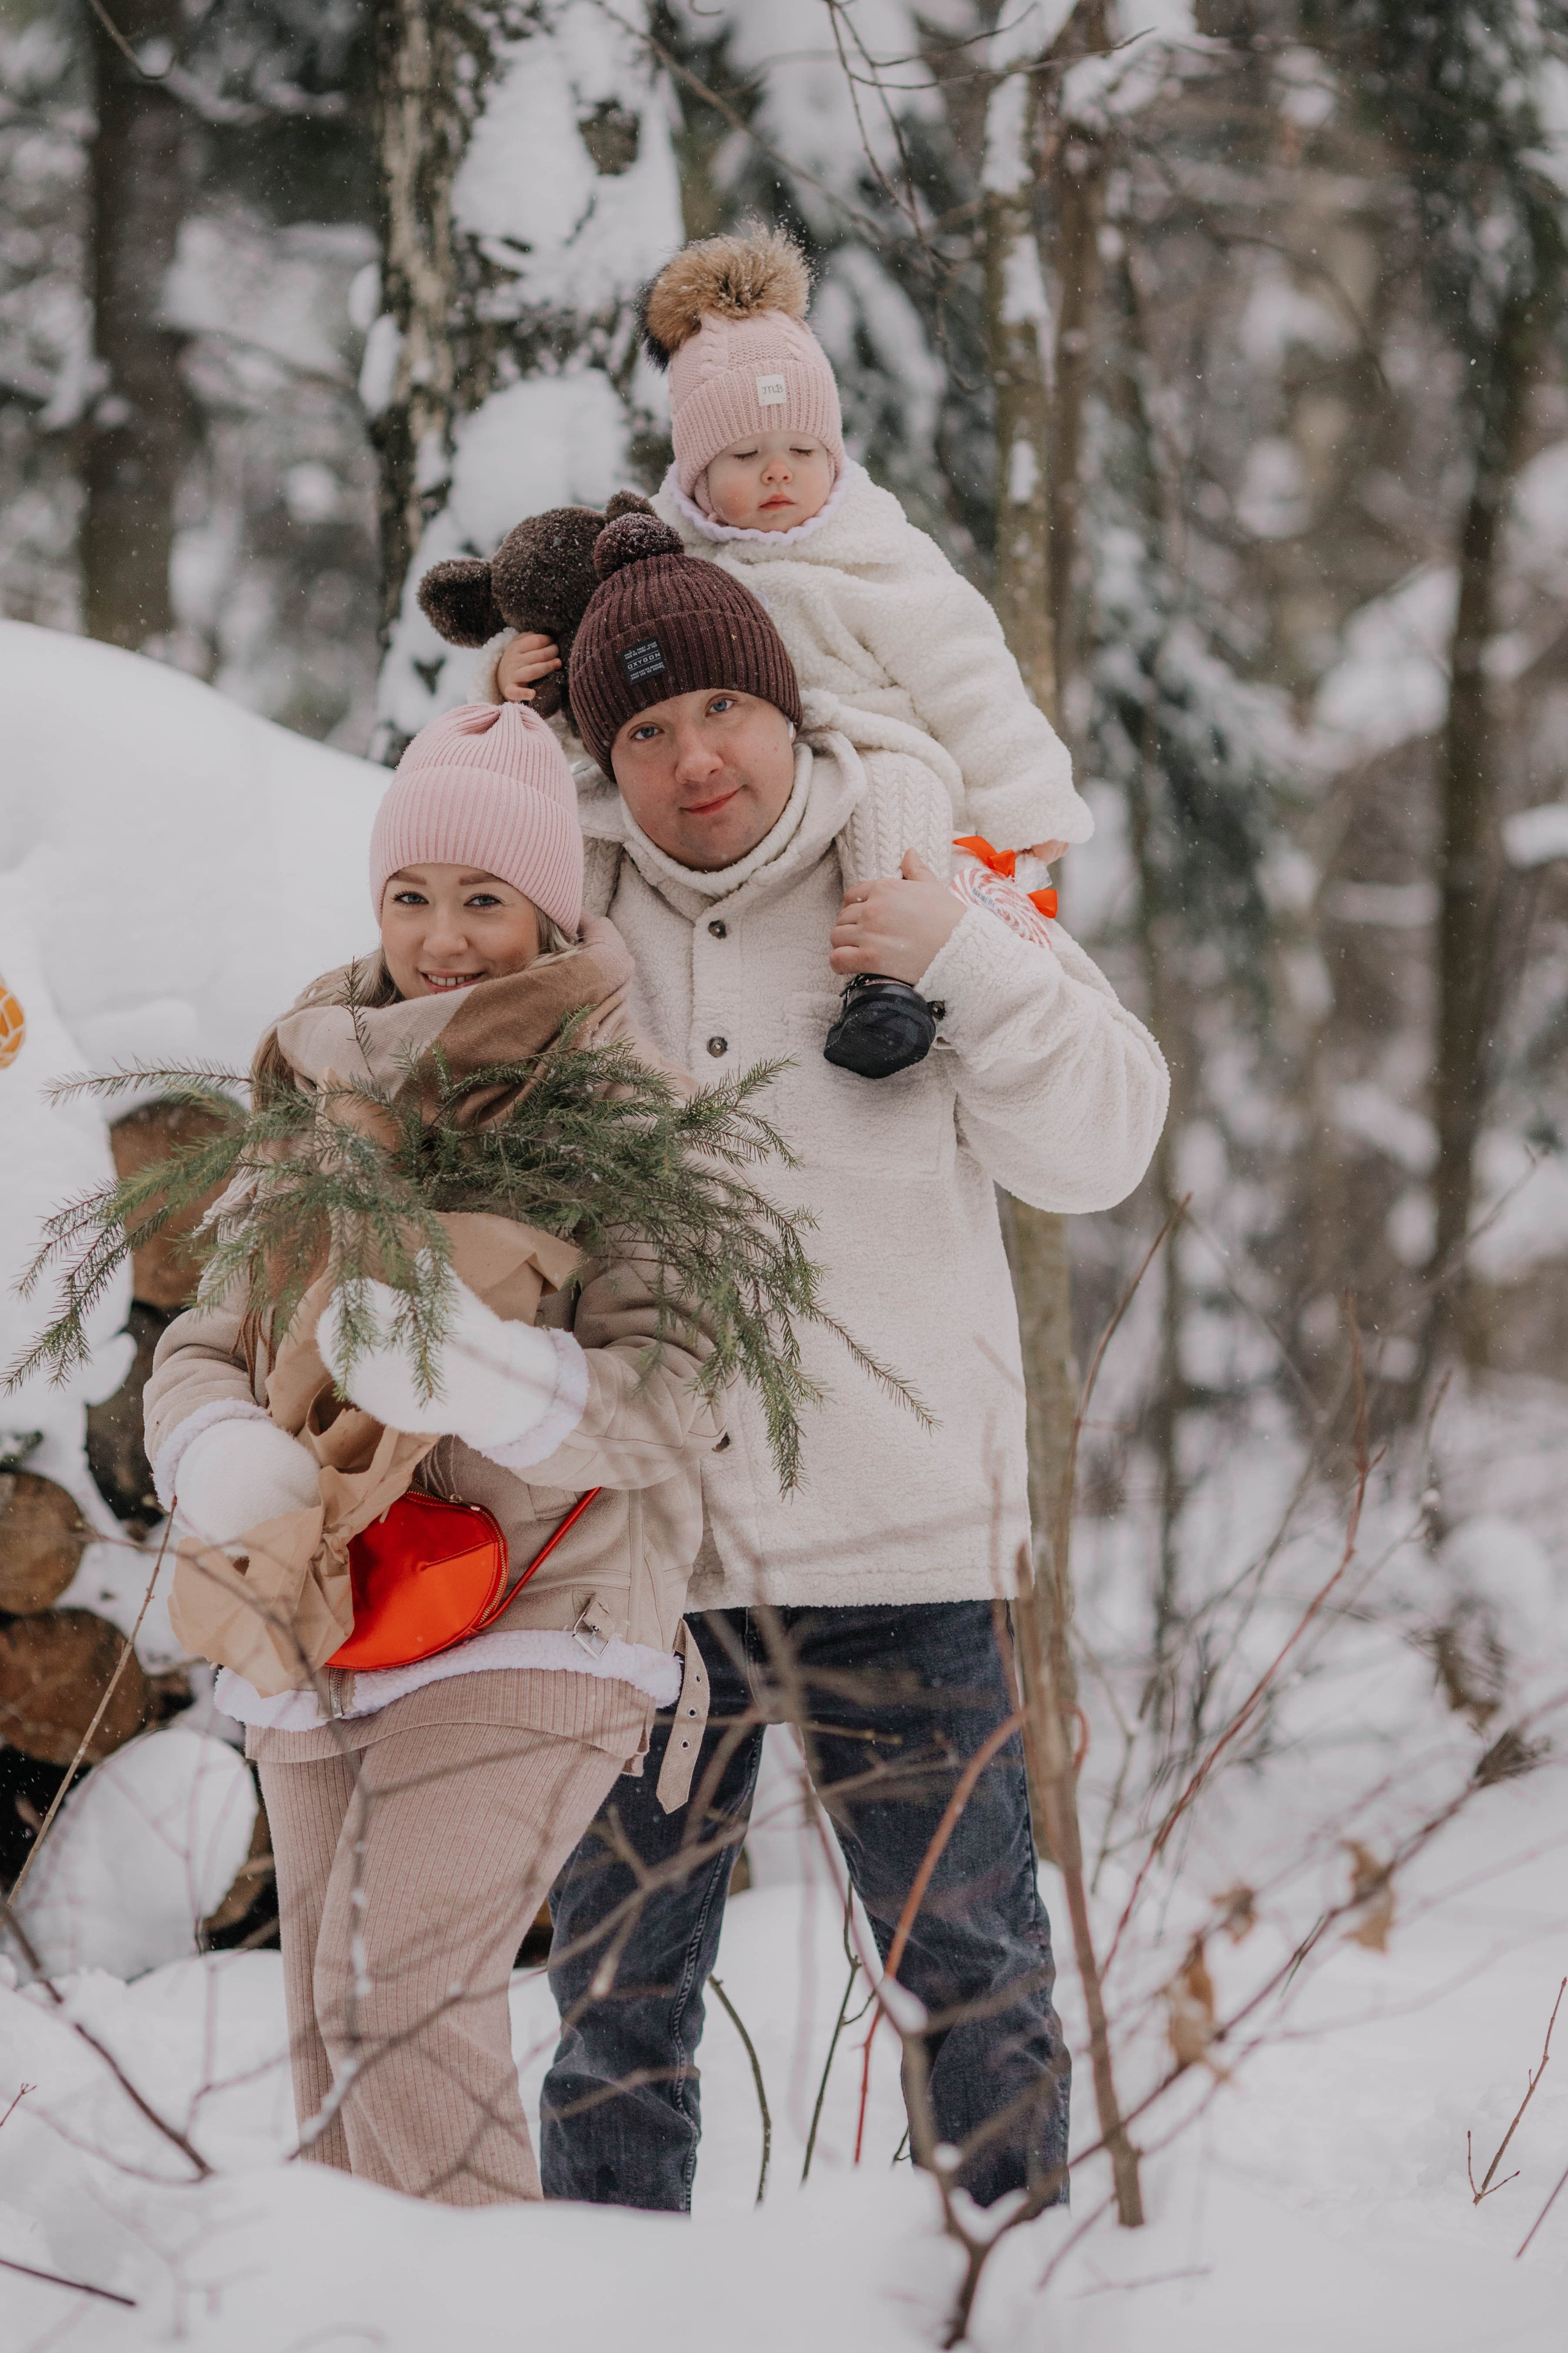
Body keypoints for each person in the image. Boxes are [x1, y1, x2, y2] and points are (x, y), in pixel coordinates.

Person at [531, 505, 1169, 2209]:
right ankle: (604, 2315)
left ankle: (1009, 2288)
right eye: (644, 732)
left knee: (975, 1986)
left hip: (904, 1558)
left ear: (787, 702)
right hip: (652, 1563)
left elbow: (1105, 1143)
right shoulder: (565, 926)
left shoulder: (925, 865)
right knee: (614, 2015)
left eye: (719, 710)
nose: (692, 760)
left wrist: (968, 966)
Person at [141, 701, 728, 2207]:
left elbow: (682, 1387)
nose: (442, 936)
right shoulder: (313, 1092)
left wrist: (491, 1374)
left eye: (483, 897)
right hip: (329, 1604)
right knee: (329, 2039)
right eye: (412, 895)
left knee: (398, 2004)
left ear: (549, 908)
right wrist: (215, 1446)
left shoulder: (617, 1107)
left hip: (544, 1602)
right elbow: (205, 1338)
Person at [486, 224, 1090, 886]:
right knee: (594, 816)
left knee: (891, 789)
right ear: (696, 475)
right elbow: (612, 685)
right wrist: (515, 679)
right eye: (746, 456)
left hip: (872, 775)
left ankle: (887, 978)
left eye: (802, 452)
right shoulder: (660, 561)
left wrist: (1025, 801)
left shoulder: (879, 557)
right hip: (724, 800)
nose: (779, 473)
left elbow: (973, 683)